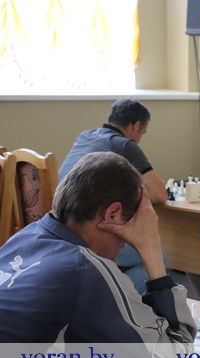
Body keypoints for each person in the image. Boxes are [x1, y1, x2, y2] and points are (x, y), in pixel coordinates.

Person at [0, 152, 196, 358]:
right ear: (112, 213)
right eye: (129, 234)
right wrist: (151, 248)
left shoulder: (23, 238)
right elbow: (177, 355)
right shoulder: (84, 269)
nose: (123, 246)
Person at [59, 98, 167, 294]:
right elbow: (160, 195)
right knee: (159, 258)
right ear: (136, 126)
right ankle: (116, 295)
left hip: (61, 227)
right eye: (142, 132)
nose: (140, 138)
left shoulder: (85, 136)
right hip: (90, 233)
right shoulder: (124, 145)